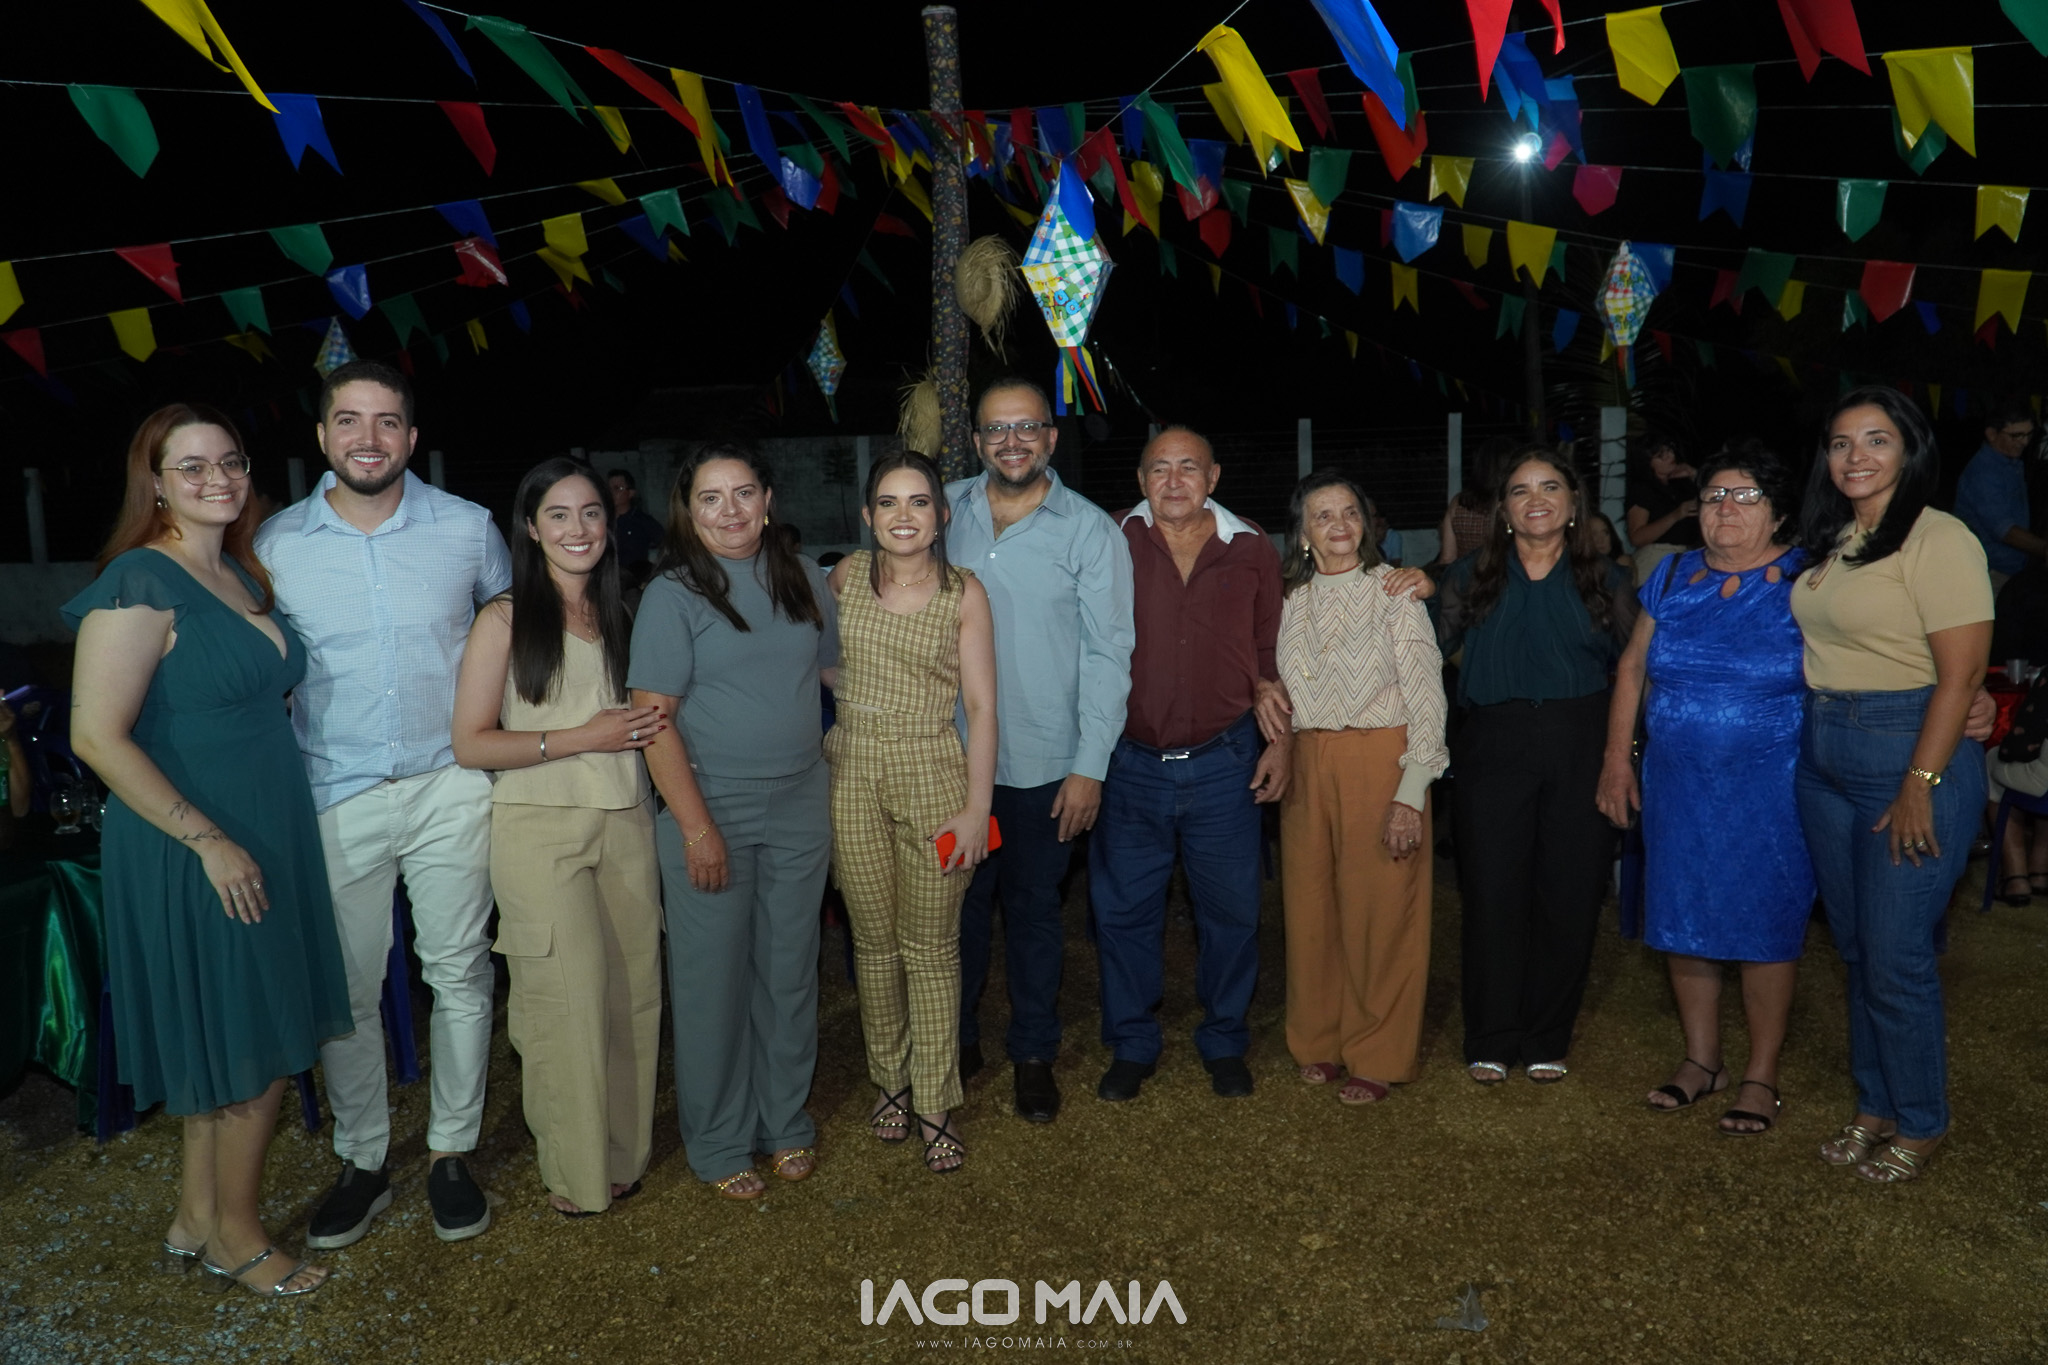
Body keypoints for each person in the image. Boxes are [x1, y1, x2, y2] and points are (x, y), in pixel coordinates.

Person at [67, 404, 350, 1297]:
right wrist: (209, 840)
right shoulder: (141, 580)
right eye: (191, 467)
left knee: (229, 1031)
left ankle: (197, 1214)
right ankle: (238, 1235)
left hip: (264, 827)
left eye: (230, 461)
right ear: (154, 483)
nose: (217, 478)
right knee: (251, 1040)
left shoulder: (234, 568)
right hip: (195, 841)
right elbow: (95, 736)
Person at [255, 360, 510, 1249]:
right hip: (335, 794)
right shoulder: (277, 545)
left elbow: (511, 630)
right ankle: (362, 1159)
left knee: (460, 971)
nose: (369, 438)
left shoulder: (468, 527)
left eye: (388, 421)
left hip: (449, 784)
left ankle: (451, 1151)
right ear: (322, 436)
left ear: (412, 435)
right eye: (350, 420)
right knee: (349, 989)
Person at [451, 458, 664, 1216]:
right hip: (541, 831)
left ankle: (622, 1155)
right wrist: (580, 737)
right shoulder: (505, 619)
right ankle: (576, 1169)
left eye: (592, 513)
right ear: (531, 528)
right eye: (560, 514)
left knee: (633, 998)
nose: (579, 529)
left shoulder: (622, 613)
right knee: (563, 1003)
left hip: (628, 822)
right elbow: (471, 742)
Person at [627, 443, 839, 1200]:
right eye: (710, 498)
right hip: (709, 804)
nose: (730, 510)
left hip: (802, 800)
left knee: (789, 971)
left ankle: (784, 1119)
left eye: (743, 492)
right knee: (711, 980)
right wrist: (695, 827)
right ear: (689, 511)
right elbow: (653, 720)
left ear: (768, 498)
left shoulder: (805, 576)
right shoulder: (674, 593)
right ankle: (719, 1138)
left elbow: (832, 672)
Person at [1791, 387, 1992, 1184]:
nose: (1857, 456)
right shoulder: (1836, 537)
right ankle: (1874, 1104)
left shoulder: (1939, 537)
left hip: (1907, 748)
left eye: (1877, 439)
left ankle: (1921, 1119)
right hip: (1825, 755)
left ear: (1910, 449)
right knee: (1856, 947)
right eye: (1842, 442)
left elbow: (1961, 674)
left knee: (1896, 952)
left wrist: (1921, 781)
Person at [1597, 441, 1812, 1134]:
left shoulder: (1808, 578)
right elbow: (1633, 669)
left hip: (1771, 788)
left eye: (1746, 496)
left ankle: (1761, 1074)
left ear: (1779, 512)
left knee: (1765, 922)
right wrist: (1617, 759)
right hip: (1678, 782)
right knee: (1682, 915)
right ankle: (1702, 1059)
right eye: (1716, 495)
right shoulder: (1672, 573)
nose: (1727, 508)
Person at [947, 379, 1135, 1124]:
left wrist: (1090, 766)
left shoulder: (1089, 530)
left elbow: (1110, 654)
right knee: (956, 914)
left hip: (1045, 764)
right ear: (977, 440)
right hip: (951, 760)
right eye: (997, 429)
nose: (1012, 441)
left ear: (1052, 437)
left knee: (1032, 913)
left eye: (1027, 427)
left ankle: (1032, 1052)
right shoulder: (939, 511)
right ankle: (956, 1043)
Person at [1091, 428, 1285, 1105]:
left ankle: (1225, 1037)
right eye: (1160, 468)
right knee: (1123, 912)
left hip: (1225, 761)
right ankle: (1132, 1042)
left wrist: (1280, 737)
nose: (1174, 481)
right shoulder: (1108, 536)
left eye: (1189, 468)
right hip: (1129, 761)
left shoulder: (1251, 545)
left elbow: (1271, 649)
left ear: (1214, 476)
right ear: (1141, 478)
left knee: (1232, 911)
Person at [1438, 447, 1637, 1084]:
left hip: (1582, 742)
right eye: (1520, 490)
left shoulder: (1608, 580)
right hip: (1492, 746)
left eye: (1550, 487)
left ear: (1574, 503)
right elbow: (1418, 651)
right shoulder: (1468, 576)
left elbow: (1639, 672)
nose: (1536, 500)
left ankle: (1548, 1033)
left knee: (1570, 892)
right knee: (1491, 892)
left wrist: (1624, 757)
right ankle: (1492, 1034)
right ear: (1503, 508)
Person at [824, 452, 997, 1173]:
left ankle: (935, 1099)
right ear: (868, 516)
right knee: (873, 944)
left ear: (942, 515)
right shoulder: (845, 578)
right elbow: (821, 659)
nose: (904, 515)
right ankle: (888, 1081)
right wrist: (851, 694)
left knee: (932, 947)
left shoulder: (964, 591)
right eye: (889, 502)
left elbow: (982, 706)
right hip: (853, 772)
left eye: (919, 501)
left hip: (933, 772)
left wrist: (977, 807)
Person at [1256, 471, 1447, 1105]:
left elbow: (1427, 697)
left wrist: (1410, 792)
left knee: (1381, 912)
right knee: (1311, 909)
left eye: (1349, 513)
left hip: (1381, 758)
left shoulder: (1395, 592)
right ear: (1302, 534)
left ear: (1365, 525)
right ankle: (1319, 1038)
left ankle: (1377, 1053)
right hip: (1308, 761)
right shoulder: (1289, 600)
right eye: (1322, 515)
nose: (1338, 525)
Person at [1951, 402, 2040, 593]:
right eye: (2016, 435)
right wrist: (2044, 548)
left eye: (2029, 434)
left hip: (2010, 567)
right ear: (1992, 434)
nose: (2024, 442)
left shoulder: (2010, 463)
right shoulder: (1984, 473)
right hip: (1990, 571)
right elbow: (2005, 531)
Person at [1625, 432, 1701, 585]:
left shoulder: (1682, 484)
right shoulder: (1643, 489)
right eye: (1660, 456)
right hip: (1656, 559)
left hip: (1687, 558)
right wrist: (1675, 515)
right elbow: (1636, 537)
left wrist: (1694, 475)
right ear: (1647, 463)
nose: (1669, 456)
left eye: (1669, 450)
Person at [1434, 435, 1516, 566]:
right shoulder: (1512, 504)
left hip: (1466, 577)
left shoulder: (1459, 503)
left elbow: (1447, 559)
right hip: (1506, 575)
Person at [606, 469, 666, 576]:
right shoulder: (604, 521)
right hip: (608, 577)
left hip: (633, 580)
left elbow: (667, 546)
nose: (612, 493)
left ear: (631, 493)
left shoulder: (642, 521)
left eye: (617, 488)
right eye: (609, 489)